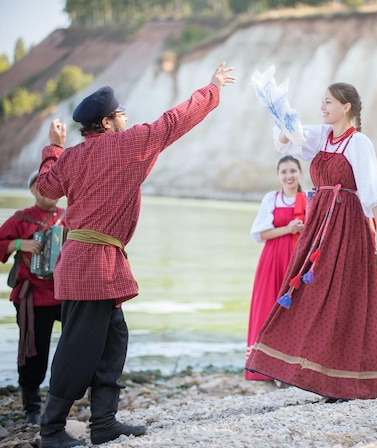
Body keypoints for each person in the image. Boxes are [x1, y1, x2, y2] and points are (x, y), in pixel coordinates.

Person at [36, 62, 235, 448]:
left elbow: (45, 189)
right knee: (78, 348)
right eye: (122, 113)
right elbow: (174, 120)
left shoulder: (72, 157)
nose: (127, 117)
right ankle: (51, 431)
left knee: (113, 341)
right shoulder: (130, 144)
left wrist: (54, 149)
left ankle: (104, 423)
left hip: (89, 263)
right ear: (108, 123)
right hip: (92, 265)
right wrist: (211, 88)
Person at [246, 82, 377, 401]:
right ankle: (316, 372)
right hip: (320, 221)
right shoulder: (322, 136)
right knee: (309, 291)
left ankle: (355, 378)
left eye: (328, 102)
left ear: (346, 107)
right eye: (322, 102)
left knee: (348, 297)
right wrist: (285, 123)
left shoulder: (359, 143)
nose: (322, 108)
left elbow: (373, 188)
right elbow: (286, 143)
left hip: (347, 222)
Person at [0, 171, 66, 425]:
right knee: (33, 353)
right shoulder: (20, 219)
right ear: (32, 191)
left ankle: (79, 397)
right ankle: (32, 409)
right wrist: (18, 244)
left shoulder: (68, 217)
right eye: (41, 188)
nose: (47, 192)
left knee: (78, 345)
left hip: (65, 295)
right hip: (32, 299)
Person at [246, 155, 306, 382]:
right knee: (268, 309)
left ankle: (292, 370)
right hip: (272, 260)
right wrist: (289, 229)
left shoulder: (308, 199)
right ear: (278, 176)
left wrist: (302, 228)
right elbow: (260, 234)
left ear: (300, 173)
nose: (289, 176)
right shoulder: (272, 199)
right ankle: (264, 369)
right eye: (284, 172)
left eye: (293, 171)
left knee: (297, 313)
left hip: (299, 261)